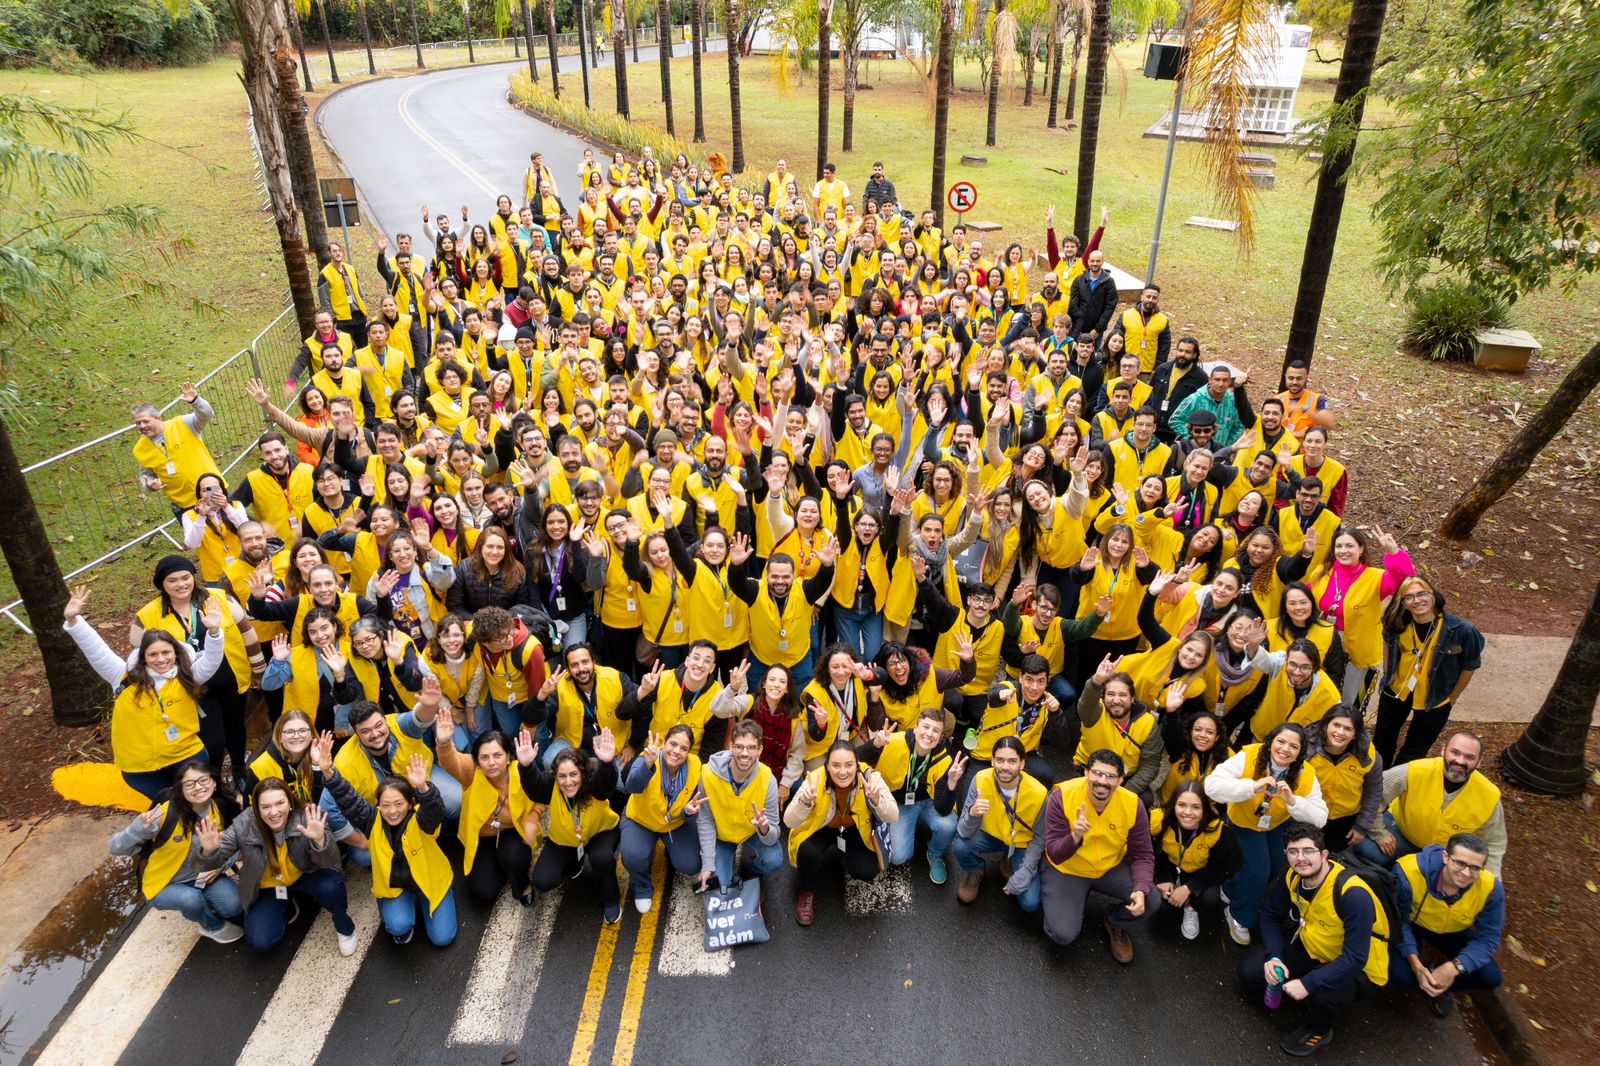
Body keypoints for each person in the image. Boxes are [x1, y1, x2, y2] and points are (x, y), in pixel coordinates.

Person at [1238, 822, 1389, 1058]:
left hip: (1362, 967)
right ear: (1286, 855)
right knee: (1250, 973)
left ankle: (1318, 1029)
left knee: (1321, 995)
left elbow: (1355, 958)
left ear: (1324, 854)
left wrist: (1309, 984)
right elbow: (1270, 916)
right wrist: (1274, 956)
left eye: (1308, 851)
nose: (1301, 859)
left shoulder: (1353, 894)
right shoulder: (1292, 875)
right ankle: (1303, 986)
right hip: (1315, 944)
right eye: (1293, 852)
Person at [63, 584, 226, 801]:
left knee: (197, 802)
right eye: (153, 654)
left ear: (176, 654)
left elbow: (212, 660)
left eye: (166, 652)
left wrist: (214, 632)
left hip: (186, 757)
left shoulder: (186, 676)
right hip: (140, 769)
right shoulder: (123, 677)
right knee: (171, 807)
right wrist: (75, 621)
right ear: (143, 657)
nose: (161, 659)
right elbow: (96, 650)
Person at [321, 736, 456, 946]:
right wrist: (329, 772)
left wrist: (423, 788)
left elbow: (434, 809)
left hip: (430, 882)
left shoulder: (421, 820)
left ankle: (429, 900)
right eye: (385, 805)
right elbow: (347, 797)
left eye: (398, 803)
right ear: (378, 805)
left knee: (442, 939)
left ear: (410, 803)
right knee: (397, 926)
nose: (392, 811)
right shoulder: (371, 819)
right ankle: (405, 904)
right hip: (396, 886)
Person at [198, 778, 358, 955]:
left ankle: (345, 928)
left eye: (280, 803)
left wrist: (320, 840)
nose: (273, 812)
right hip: (268, 886)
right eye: (265, 806)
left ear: (290, 802)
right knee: (261, 941)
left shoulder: (308, 816)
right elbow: (207, 864)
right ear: (256, 809)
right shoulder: (243, 825)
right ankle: (287, 904)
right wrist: (208, 852)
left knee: (331, 886)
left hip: (305, 872)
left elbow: (330, 861)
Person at [1205, 723, 1328, 946]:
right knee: (1258, 872)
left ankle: (1231, 888)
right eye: (1281, 742)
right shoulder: (1248, 756)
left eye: (1293, 746)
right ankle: (1239, 916)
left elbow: (1320, 818)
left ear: (1300, 752)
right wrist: (1251, 787)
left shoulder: (1306, 773)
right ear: (1271, 741)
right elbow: (1211, 786)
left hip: (1273, 825)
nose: (1285, 749)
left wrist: (1292, 801)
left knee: (1276, 868)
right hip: (1242, 822)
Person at [1040, 749, 1158, 961]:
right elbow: (1054, 854)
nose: (1102, 781)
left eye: (1111, 776)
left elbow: (1142, 854)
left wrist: (1140, 888)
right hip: (1068, 869)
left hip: (1108, 868)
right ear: (1086, 773)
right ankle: (1071, 899)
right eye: (1097, 773)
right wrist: (1075, 837)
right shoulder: (1062, 796)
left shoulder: (1133, 804)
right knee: (1062, 934)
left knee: (1150, 899)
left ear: (1121, 780)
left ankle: (1115, 922)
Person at [108, 759, 244, 943]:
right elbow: (115, 848)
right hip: (166, 883)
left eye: (204, 780)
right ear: (180, 789)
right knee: (191, 900)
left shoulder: (222, 808)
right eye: (189, 784)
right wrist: (137, 829)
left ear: (214, 783)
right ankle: (211, 925)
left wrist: (220, 866)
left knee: (234, 906)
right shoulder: (165, 814)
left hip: (203, 877)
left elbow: (238, 844)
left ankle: (205, 902)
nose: (198, 787)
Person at [1354, 731, 1506, 877]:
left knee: (1446, 884)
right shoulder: (1415, 770)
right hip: (1401, 834)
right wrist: (1379, 832)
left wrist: (1490, 882)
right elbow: (1373, 793)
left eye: (1469, 757)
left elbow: (1494, 843)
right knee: (1367, 850)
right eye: (1455, 752)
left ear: (1479, 762)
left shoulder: (1489, 795)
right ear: (1443, 750)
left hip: (1449, 855)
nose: (1460, 761)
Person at [783, 740, 899, 927]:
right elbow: (789, 821)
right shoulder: (814, 780)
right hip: (824, 828)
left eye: (848, 765)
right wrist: (804, 802)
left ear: (857, 764)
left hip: (853, 829)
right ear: (827, 766)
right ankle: (806, 891)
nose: (843, 772)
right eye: (836, 765)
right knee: (808, 852)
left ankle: (846, 854)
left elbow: (893, 816)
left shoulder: (870, 778)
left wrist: (877, 800)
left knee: (866, 869)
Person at [1372, 575, 1483, 768]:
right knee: (1383, 737)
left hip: (1435, 698)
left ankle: (1398, 781)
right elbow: (1387, 645)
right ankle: (1376, 778)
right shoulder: (1396, 624)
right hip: (1397, 690)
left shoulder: (1461, 630)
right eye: (1409, 597)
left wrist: (1452, 698)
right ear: (1403, 602)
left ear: (1433, 595)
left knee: (1416, 748)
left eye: (1422, 594)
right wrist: (1387, 675)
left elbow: (1470, 666)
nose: (1417, 601)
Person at [517, 728, 624, 923]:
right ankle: (575, 862)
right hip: (565, 840)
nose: (568, 782)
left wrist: (607, 763)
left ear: (583, 773)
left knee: (601, 858)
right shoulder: (551, 786)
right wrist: (526, 766)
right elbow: (534, 789)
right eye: (562, 776)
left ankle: (611, 900)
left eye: (574, 774)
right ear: (555, 777)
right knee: (542, 880)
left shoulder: (594, 785)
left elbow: (607, 786)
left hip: (601, 833)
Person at [1393, 833, 1506, 1017]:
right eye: (1460, 863)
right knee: (1401, 976)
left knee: (1491, 977)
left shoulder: (1491, 888)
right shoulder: (1408, 871)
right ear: (1446, 857)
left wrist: (1454, 968)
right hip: (1413, 922)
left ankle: (1438, 982)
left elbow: (1488, 939)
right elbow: (1397, 920)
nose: (1466, 873)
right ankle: (1423, 977)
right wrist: (1415, 964)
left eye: (1475, 868)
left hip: (1454, 930)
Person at [859, 708, 969, 883]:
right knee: (898, 857)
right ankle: (901, 825)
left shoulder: (945, 759)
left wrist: (951, 784)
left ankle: (935, 853)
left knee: (948, 824)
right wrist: (875, 745)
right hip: (900, 803)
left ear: (941, 737)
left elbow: (943, 808)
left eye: (936, 731)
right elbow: (856, 758)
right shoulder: (892, 741)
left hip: (928, 802)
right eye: (926, 727)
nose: (929, 734)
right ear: (916, 728)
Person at [952, 737, 1047, 911]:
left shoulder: (1039, 793)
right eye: (1000, 760)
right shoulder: (980, 779)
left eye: (1012, 761)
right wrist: (972, 814)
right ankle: (976, 871)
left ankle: (1009, 860)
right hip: (989, 835)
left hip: (1019, 843)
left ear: (1022, 764)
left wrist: (1025, 872)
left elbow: (1040, 838)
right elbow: (963, 832)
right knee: (960, 846)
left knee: (1030, 904)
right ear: (992, 761)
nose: (1005, 767)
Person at [619, 724, 705, 913]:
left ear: (689, 752)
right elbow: (632, 786)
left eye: (683, 748)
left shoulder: (695, 766)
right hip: (641, 820)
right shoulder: (648, 757)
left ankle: (670, 850)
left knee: (691, 865)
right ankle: (642, 887)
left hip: (674, 822)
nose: (676, 752)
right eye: (673, 744)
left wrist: (688, 813)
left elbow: (690, 805)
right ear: (664, 743)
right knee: (633, 857)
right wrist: (648, 764)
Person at [694, 719, 786, 892]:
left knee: (773, 861)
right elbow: (705, 820)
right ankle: (726, 871)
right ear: (731, 746)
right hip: (722, 836)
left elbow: (774, 834)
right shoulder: (707, 774)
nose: (745, 753)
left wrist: (765, 829)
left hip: (752, 832)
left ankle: (750, 869)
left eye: (751, 747)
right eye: (739, 746)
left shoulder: (768, 780)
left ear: (760, 750)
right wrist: (707, 864)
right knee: (720, 884)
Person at [1149, 782, 1230, 941]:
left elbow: (1219, 868)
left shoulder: (1218, 830)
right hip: (1170, 868)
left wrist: (1189, 888)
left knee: (1210, 898)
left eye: (1195, 807)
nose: (1188, 812)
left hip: (1199, 872)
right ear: (1173, 805)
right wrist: (1162, 879)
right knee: (1159, 903)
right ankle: (1174, 891)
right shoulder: (1159, 820)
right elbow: (1151, 853)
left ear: (1204, 809)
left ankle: (1191, 908)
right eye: (1182, 805)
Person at [1305, 707, 1382, 853]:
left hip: (1345, 819)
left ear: (1355, 735)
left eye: (1348, 729)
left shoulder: (1368, 756)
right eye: (1336, 725)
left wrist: (1362, 826)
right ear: (1326, 725)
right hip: (1309, 814)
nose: (1340, 732)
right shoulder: (1306, 750)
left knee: (1333, 857)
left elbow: (1374, 793)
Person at [131, 383, 219, 511]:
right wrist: (149, 485)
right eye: (138, 423)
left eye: (146, 421)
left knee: (229, 527)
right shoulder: (139, 449)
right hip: (184, 504)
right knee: (200, 531)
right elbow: (146, 475)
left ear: (159, 418)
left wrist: (196, 401)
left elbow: (207, 414)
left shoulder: (182, 423)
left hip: (212, 490)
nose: (142, 426)